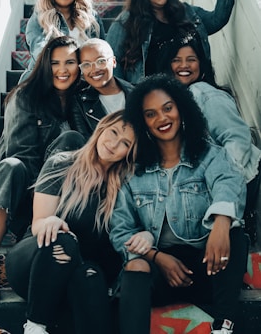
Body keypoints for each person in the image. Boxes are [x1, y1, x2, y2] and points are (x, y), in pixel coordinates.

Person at [109, 74, 248, 334]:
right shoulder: (132, 173)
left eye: (168, 108)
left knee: (236, 235)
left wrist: (221, 223)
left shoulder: (210, 155)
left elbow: (228, 184)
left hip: (208, 264)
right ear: (143, 123)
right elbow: (120, 230)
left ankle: (224, 326)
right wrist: (158, 258)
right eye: (150, 114)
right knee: (134, 267)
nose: (161, 119)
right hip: (161, 271)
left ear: (182, 109)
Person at [0, 36, 86, 303]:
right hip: (25, 189)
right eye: (55, 63)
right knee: (10, 167)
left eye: (70, 62)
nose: (62, 69)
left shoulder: (83, 99)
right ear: (45, 65)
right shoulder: (25, 96)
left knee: (72, 141)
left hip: (64, 197)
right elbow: (19, 155)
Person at [5, 110, 137, 334]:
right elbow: (38, 222)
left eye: (124, 143)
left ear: (129, 153)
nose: (114, 144)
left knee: (92, 275)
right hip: (37, 261)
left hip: (79, 273)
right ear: (102, 127)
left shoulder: (126, 183)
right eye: (113, 132)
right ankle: (35, 327)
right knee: (63, 240)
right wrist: (50, 222)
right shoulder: (62, 163)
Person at [163, 30, 261, 244]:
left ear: (202, 64)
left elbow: (237, 140)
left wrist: (222, 186)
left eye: (191, 59)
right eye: (176, 60)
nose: (184, 66)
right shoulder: (177, 100)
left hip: (246, 180)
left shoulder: (203, 93)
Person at [106, 0, 235, 84]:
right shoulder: (125, 22)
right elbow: (112, 68)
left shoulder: (186, 12)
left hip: (193, 94)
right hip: (154, 103)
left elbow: (216, 20)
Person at [19, 0, 106, 82]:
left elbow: (102, 51)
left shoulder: (92, 17)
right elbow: (40, 53)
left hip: (83, 80)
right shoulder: (39, 18)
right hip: (47, 79)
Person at [70, 38, 134, 141]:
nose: (94, 69)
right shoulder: (79, 103)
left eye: (101, 61)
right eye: (86, 65)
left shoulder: (138, 93)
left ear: (113, 61)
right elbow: (86, 144)